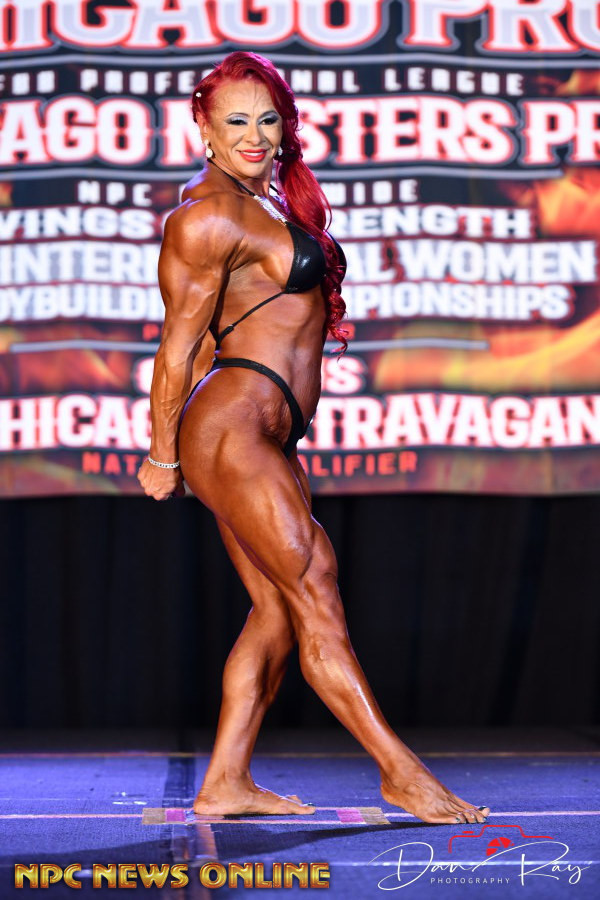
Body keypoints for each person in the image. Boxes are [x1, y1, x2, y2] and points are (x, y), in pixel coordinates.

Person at [137, 51, 490, 826]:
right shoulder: (207, 216)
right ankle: (400, 772)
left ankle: (225, 781)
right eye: (236, 121)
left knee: (274, 610)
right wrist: (163, 454)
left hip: (263, 433)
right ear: (203, 129)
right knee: (314, 588)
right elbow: (177, 347)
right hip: (232, 427)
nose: (255, 135)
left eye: (268, 119)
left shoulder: (260, 202)